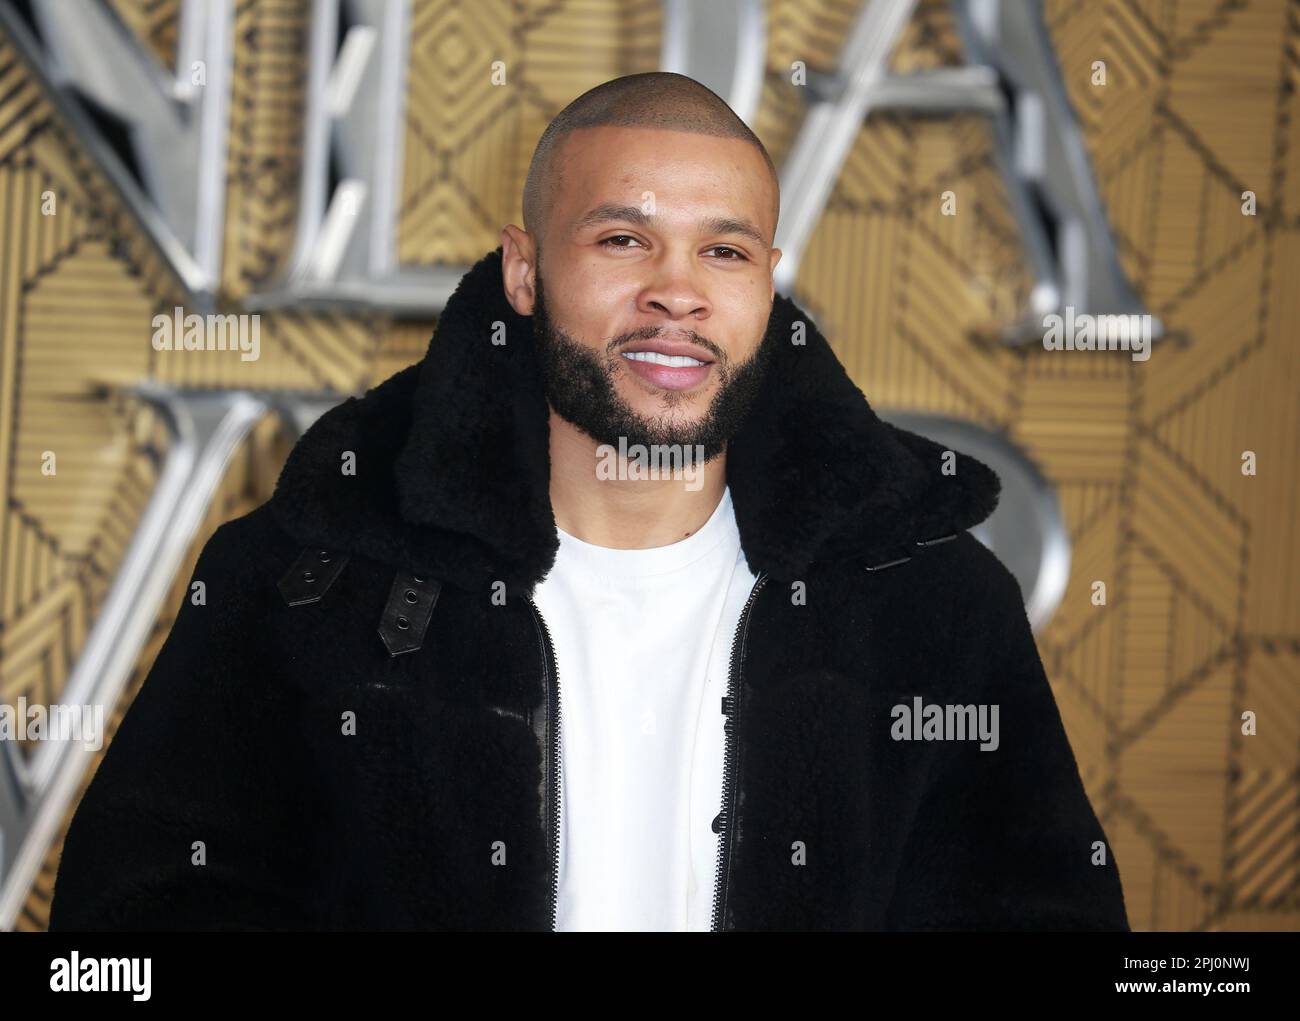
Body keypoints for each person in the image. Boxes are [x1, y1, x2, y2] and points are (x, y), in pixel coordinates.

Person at [49, 71, 1129, 931]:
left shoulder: (931, 602)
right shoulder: (304, 577)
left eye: (724, 249)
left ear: (768, 279)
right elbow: (128, 929)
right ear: (523, 272)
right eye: (623, 240)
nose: (678, 290)